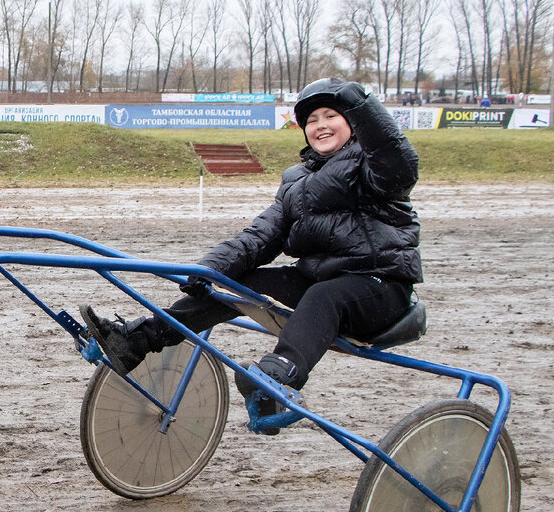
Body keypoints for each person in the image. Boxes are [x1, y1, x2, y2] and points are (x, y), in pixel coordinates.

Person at [82, 78, 422, 433]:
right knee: (232, 286)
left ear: (352, 120)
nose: (320, 125)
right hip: (321, 283)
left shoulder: (373, 165)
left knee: (325, 295)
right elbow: (260, 236)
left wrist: (364, 103)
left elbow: (400, 161)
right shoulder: (296, 181)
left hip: (382, 286)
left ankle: (280, 376)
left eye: (330, 115)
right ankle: (136, 340)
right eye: (312, 120)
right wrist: (211, 269)